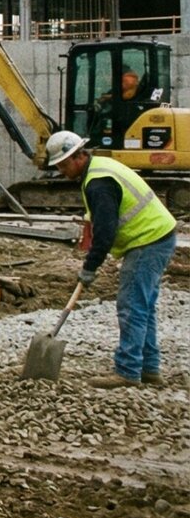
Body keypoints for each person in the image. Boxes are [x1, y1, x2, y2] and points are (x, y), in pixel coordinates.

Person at [46, 131, 177, 388]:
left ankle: (128, 371)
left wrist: (90, 268)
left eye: (62, 164)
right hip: (158, 236)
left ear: (78, 156)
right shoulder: (98, 169)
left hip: (147, 241)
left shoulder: (99, 182)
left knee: (131, 306)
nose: (61, 171)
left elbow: (105, 233)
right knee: (143, 306)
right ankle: (149, 369)